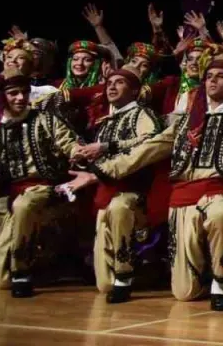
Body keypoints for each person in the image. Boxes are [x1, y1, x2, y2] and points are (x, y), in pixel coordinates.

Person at [65, 58, 223, 309]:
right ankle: (203, 275)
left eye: (220, 76)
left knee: (219, 214)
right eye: (209, 76)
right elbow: (147, 150)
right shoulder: (188, 120)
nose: (212, 80)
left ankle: (221, 280)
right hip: (183, 196)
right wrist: (97, 174)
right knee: (184, 292)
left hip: (218, 190)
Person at [62, 68, 166, 303]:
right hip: (106, 189)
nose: (111, 86)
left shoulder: (142, 113)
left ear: (135, 90)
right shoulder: (106, 121)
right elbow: (102, 158)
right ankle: (121, 277)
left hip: (133, 189)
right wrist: (84, 158)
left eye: (119, 82)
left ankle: (125, 276)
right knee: (103, 284)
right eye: (109, 82)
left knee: (120, 208)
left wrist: (108, 146)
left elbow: (150, 141)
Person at [0, 74, 81, 297]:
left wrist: (77, 151)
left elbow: (69, 143)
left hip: (47, 188)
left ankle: (22, 271)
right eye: (13, 93)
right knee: (2, 281)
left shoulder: (45, 119)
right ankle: (42, 269)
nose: (21, 98)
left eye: (24, 92)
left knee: (25, 204)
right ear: (2, 96)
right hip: (13, 195)